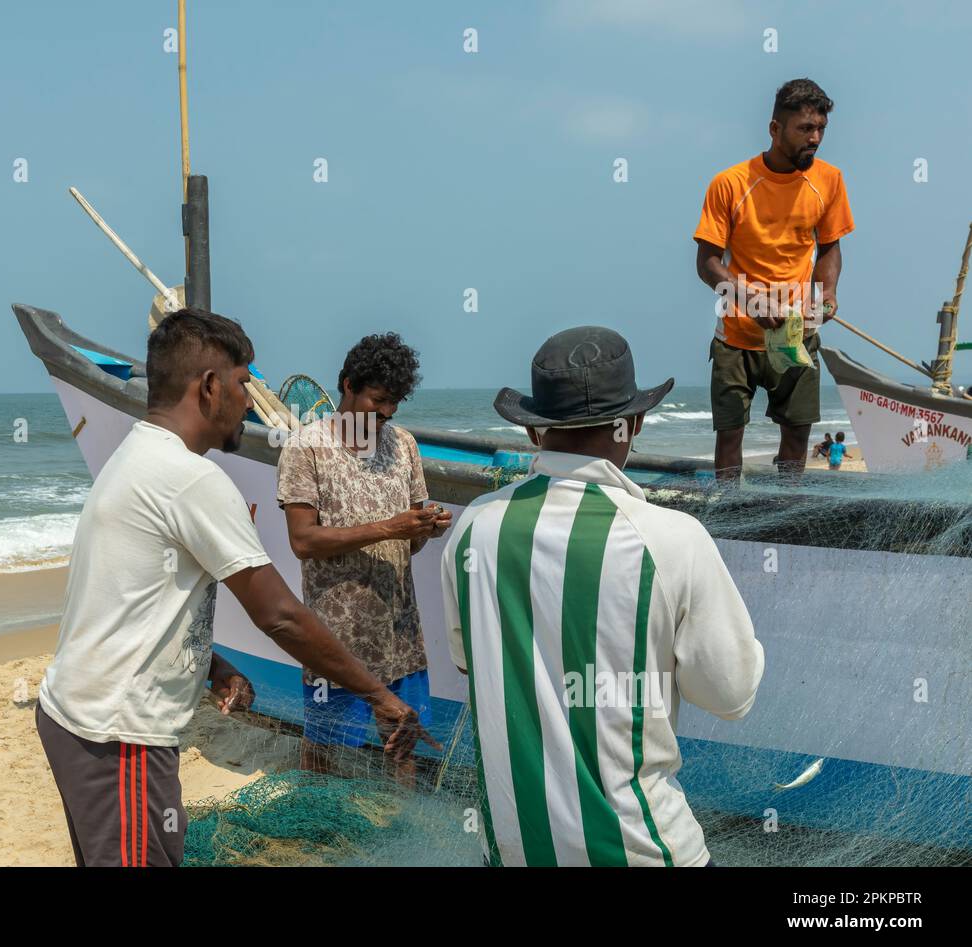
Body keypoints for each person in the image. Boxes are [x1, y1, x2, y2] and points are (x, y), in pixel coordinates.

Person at [36, 308, 434, 867]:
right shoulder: (192, 480)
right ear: (208, 387)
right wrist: (379, 696)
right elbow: (281, 616)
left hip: (87, 722)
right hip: (117, 734)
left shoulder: (138, 455)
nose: (251, 402)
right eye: (245, 384)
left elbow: (131, 602)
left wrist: (211, 666)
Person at [441, 326, 765, 867]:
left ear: (534, 431)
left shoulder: (475, 527)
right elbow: (731, 696)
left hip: (515, 850)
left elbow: (470, 662)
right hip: (643, 851)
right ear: (632, 423)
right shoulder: (671, 538)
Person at [277, 332, 451, 785]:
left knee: (403, 739)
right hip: (335, 637)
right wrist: (391, 527)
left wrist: (424, 528)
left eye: (395, 402)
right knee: (324, 747)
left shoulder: (404, 445)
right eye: (378, 400)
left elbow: (409, 538)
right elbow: (303, 541)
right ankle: (310, 831)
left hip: (399, 630)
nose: (388, 412)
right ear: (347, 384)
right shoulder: (306, 447)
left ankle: (403, 828)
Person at [694, 78, 855, 481]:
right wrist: (749, 301)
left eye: (820, 129)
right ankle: (729, 517)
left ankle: (787, 512)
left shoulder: (830, 180)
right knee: (730, 436)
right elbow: (707, 263)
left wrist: (828, 293)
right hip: (736, 336)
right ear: (774, 129)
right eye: (805, 129)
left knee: (797, 434)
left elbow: (830, 247)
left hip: (796, 333)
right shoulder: (730, 183)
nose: (815, 138)